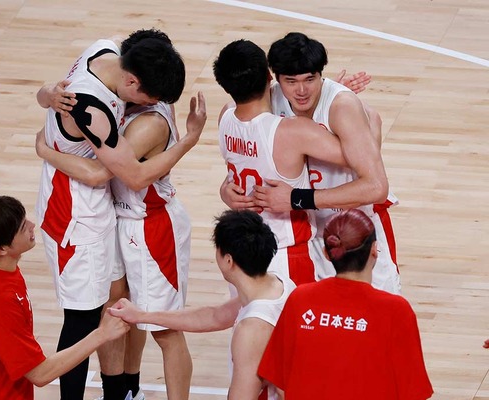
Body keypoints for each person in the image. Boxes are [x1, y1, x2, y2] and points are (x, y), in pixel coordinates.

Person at [36, 29, 206, 400]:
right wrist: (190, 140)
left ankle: (125, 390)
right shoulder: (91, 107)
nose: (156, 103)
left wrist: (45, 125)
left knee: (133, 316)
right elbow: (114, 174)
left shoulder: (108, 50)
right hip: (77, 211)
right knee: (85, 318)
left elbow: (111, 173)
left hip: (132, 217)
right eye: (152, 95)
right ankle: (116, 392)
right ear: (131, 80)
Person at [225, 32, 399, 293]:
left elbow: (376, 187)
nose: (302, 90)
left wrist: (297, 198)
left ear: (321, 75)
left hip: (356, 230)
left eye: (310, 79)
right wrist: (227, 188)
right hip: (309, 236)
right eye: (291, 81)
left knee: (376, 320)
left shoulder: (341, 106)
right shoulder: (268, 101)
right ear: (274, 77)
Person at [0, 194, 129, 400]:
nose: (33, 225)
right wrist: (102, 334)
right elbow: (40, 374)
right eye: (23, 227)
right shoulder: (2, 304)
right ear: (1, 249)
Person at [109, 210, 295, 399]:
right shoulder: (278, 285)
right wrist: (143, 316)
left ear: (228, 260)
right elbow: (214, 316)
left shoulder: (251, 329)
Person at [214, 39, 357, 286]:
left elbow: (243, 168)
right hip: (285, 252)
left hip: (242, 253)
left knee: (249, 322)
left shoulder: (225, 118)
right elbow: (357, 155)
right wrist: (333, 102)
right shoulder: (291, 131)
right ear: (271, 78)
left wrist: (224, 191)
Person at [258, 209, 433, 399]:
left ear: (326, 253)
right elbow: (414, 392)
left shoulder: (300, 299)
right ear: (375, 250)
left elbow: (280, 381)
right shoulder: (396, 310)